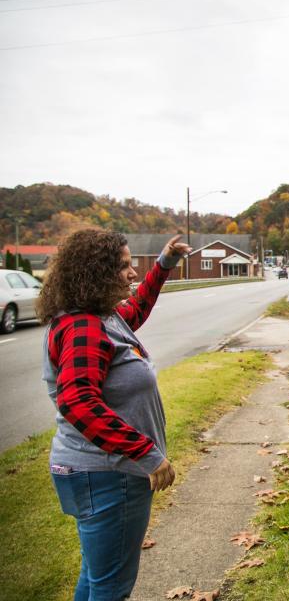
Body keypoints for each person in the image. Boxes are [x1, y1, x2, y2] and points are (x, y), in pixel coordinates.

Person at [38, 230, 190, 600]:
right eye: (122, 266)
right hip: (109, 475)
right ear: (95, 272)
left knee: (96, 577)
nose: (132, 273)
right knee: (111, 587)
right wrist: (146, 454)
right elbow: (77, 402)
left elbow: (136, 308)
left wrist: (164, 264)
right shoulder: (82, 328)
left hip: (96, 473)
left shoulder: (100, 317)